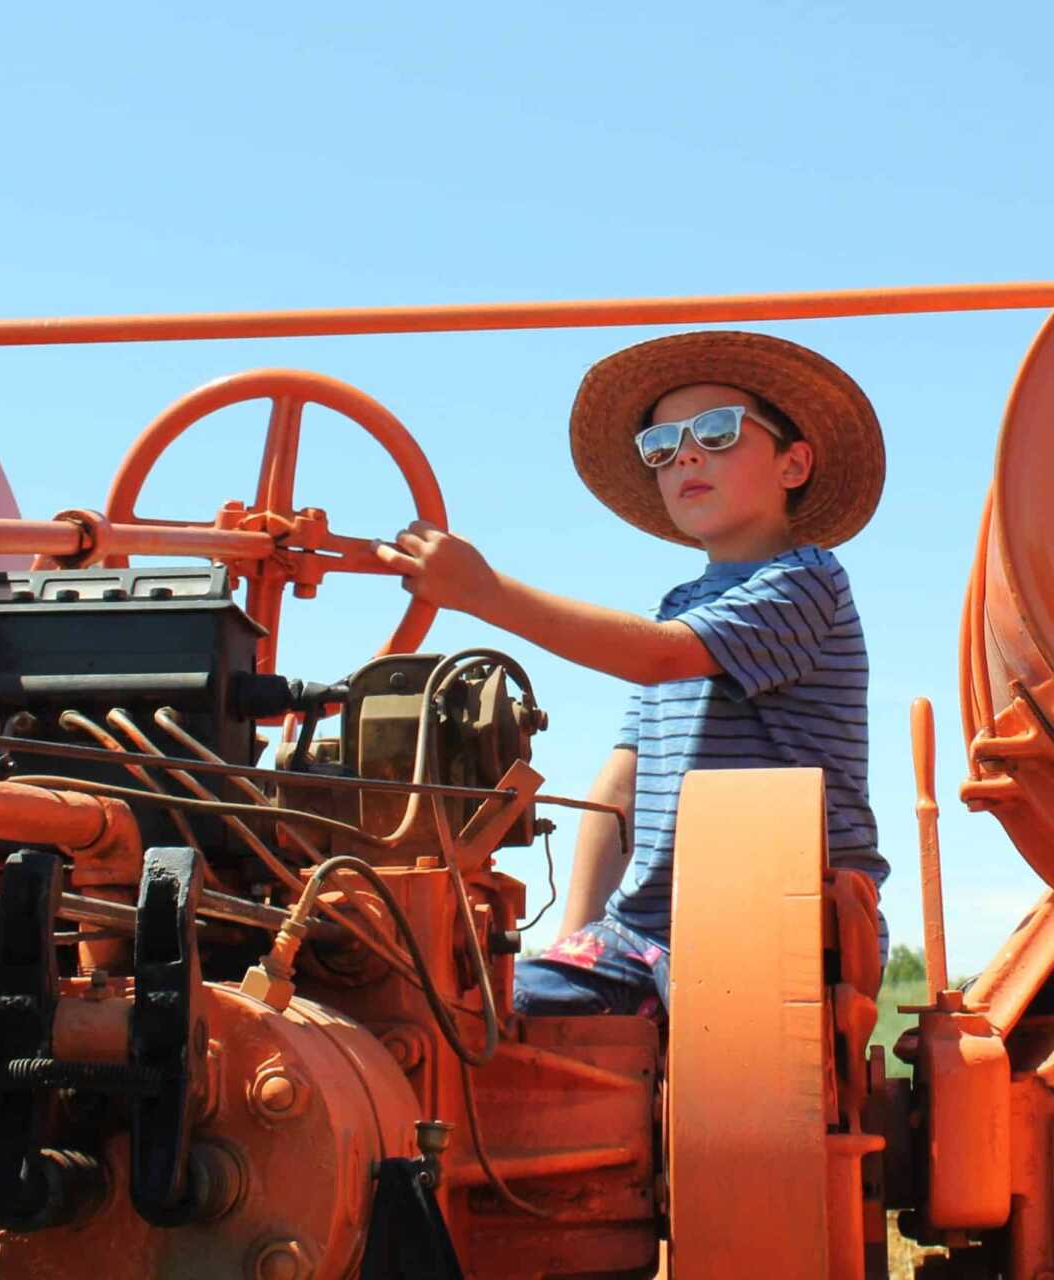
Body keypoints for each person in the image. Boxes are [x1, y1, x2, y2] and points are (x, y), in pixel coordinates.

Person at [374, 331, 888, 1017]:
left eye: (718, 430)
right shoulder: (677, 608)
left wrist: (484, 593)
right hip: (639, 934)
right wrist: (577, 937)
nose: (688, 453)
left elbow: (659, 655)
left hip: (780, 923)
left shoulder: (806, 583)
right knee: (482, 1014)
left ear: (793, 464)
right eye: (662, 446)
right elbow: (623, 783)